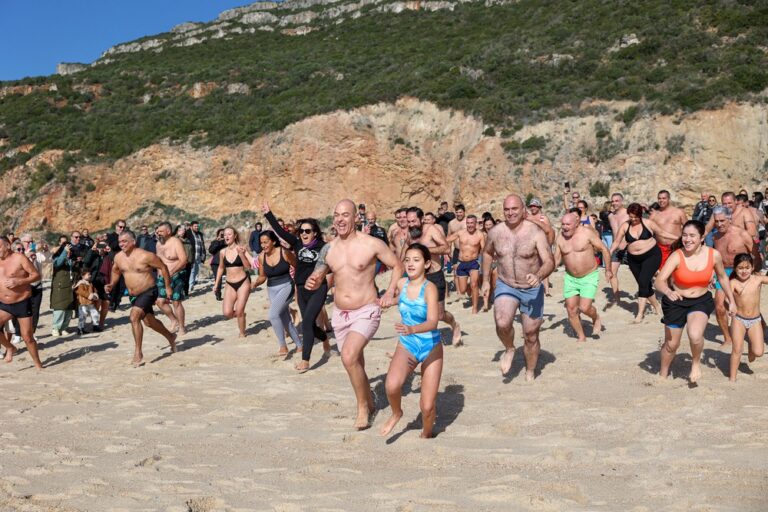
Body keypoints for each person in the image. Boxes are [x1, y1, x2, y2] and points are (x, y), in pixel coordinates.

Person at [305, 199, 403, 430]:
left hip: (367, 310)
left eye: (345, 215)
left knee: (348, 356)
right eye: (336, 215)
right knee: (355, 361)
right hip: (340, 314)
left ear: (355, 218)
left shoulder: (371, 244)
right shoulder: (328, 249)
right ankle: (369, 401)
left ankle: (362, 408)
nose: (340, 219)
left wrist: (389, 292)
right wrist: (314, 280)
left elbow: (397, 265)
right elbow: (319, 274)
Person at [481, 194, 555, 380]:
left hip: (531, 288)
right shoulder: (496, 232)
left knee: (530, 334)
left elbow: (549, 261)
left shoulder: (535, 232)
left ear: (523, 210)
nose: (510, 213)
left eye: (515, 209)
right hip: (506, 285)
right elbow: (487, 254)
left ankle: (530, 370)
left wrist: (538, 276)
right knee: (502, 321)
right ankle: (510, 347)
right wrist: (485, 280)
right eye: (507, 209)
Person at [654, 221, 735, 384]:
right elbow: (659, 281)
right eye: (684, 235)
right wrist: (669, 291)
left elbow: (722, 277)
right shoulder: (677, 255)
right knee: (671, 345)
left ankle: (696, 363)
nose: (687, 239)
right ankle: (663, 374)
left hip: (700, 301)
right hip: (675, 301)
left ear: (702, 237)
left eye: (692, 236)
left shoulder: (713, 255)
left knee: (695, 335)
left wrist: (731, 300)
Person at [380, 243, 443, 439]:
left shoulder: (430, 288)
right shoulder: (402, 283)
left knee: (427, 407)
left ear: (426, 264)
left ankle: (426, 434)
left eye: (416, 260)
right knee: (391, 385)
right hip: (407, 344)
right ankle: (397, 413)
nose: (410, 264)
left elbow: (433, 321)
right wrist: (388, 301)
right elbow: (402, 298)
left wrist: (411, 328)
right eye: (407, 260)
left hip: (430, 346)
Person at [263, 203, 331, 371]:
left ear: (314, 233)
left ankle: (305, 361)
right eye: (301, 231)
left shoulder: (323, 246)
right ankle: (324, 338)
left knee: (307, 322)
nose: (304, 234)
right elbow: (280, 232)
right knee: (310, 325)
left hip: (318, 289)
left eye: (308, 231)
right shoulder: (297, 244)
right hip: (301, 289)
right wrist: (268, 214)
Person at [106, 231, 177, 365]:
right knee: (150, 322)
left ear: (133, 242)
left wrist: (168, 287)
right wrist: (112, 284)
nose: (121, 244)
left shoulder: (146, 256)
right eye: (120, 241)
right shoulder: (118, 257)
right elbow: (116, 271)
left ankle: (138, 353)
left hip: (149, 291)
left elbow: (163, 267)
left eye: (124, 241)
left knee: (134, 317)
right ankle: (171, 336)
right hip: (134, 295)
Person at [610, 203, 677, 323]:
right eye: (631, 217)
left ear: (640, 215)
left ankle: (640, 314)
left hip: (652, 256)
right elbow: (617, 241)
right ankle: (656, 306)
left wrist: (678, 237)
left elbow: (661, 233)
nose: (633, 219)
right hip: (633, 259)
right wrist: (609, 251)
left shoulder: (648, 223)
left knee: (643, 281)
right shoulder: (625, 226)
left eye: (635, 217)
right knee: (644, 284)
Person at [406, 207, 462, 345]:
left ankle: (455, 325)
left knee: (440, 315)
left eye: (414, 221)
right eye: (409, 221)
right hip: (418, 279)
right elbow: (406, 252)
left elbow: (446, 248)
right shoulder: (410, 233)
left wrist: (424, 251)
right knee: (417, 311)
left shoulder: (431, 230)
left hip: (434, 276)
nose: (411, 224)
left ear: (421, 219)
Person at [554, 213, 612, 342]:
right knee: (571, 309)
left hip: (589, 276)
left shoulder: (586, 233)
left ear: (576, 223)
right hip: (570, 278)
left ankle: (595, 317)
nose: (564, 227)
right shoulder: (560, 238)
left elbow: (604, 249)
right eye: (562, 224)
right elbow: (556, 259)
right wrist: (542, 273)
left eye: (568, 224)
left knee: (584, 308)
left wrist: (608, 270)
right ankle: (581, 337)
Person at [252, 230, 302, 356]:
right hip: (271, 289)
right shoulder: (262, 256)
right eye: (261, 243)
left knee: (273, 314)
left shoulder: (284, 252)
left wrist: (300, 285)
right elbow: (263, 276)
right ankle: (299, 345)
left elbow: (299, 267)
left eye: (266, 242)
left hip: (286, 286)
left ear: (273, 241)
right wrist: (255, 283)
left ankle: (283, 346)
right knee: (285, 318)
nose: (263, 245)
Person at [711, 206, 753, 347]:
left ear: (729, 218)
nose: (719, 224)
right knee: (719, 306)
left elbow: (755, 255)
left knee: (747, 305)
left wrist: (755, 272)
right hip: (722, 273)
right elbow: (712, 257)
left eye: (722, 220)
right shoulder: (715, 237)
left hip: (740, 271)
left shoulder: (742, 234)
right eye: (716, 221)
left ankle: (758, 327)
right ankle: (727, 338)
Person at [0, 237, 43, 369]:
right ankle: (11, 347)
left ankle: (38, 364)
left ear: (8, 245)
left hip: (21, 302)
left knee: (27, 337)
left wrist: (18, 281)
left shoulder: (19, 258)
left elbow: (36, 275)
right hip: (4, 303)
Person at [727, 253, 766, 381]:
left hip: (755, 320)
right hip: (739, 319)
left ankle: (751, 347)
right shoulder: (733, 283)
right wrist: (730, 305)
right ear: (735, 268)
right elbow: (727, 299)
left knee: (758, 352)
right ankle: (732, 378)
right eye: (740, 268)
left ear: (752, 267)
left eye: (747, 268)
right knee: (737, 350)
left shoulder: (758, 279)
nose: (744, 271)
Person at [214, 227, 252, 338]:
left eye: (229, 234)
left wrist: (241, 255)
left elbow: (248, 267)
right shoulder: (222, 252)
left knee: (239, 310)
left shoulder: (241, 249)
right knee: (227, 313)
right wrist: (216, 284)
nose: (226, 236)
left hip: (243, 283)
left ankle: (242, 333)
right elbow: (221, 268)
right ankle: (241, 315)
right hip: (229, 284)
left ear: (234, 235)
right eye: (225, 234)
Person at [155, 222, 189, 336]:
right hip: (163, 277)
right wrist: (159, 275)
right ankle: (174, 320)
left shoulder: (175, 242)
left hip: (177, 275)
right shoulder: (158, 244)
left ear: (168, 231)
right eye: (158, 231)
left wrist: (172, 272)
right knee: (160, 302)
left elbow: (183, 260)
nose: (158, 233)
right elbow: (158, 262)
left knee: (176, 301)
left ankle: (182, 327)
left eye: (161, 231)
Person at [446, 214, 484, 313]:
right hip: (461, 263)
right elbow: (447, 239)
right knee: (462, 290)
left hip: (474, 262)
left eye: (472, 223)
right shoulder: (461, 233)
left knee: (474, 284)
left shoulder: (480, 235)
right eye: (468, 223)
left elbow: (484, 249)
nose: (470, 225)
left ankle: (475, 308)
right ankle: (469, 287)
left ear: (475, 224)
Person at [50, 235, 78, 337]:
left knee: (69, 309)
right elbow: (58, 263)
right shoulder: (56, 256)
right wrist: (64, 252)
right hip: (60, 286)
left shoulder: (71, 258)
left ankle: (64, 328)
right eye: (63, 244)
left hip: (70, 286)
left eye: (67, 244)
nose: (66, 246)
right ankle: (55, 328)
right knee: (60, 308)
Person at [653, 190, 688, 269]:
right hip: (660, 248)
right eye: (659, 198)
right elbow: (646, 229)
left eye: (664, 198)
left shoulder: (679, 212)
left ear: (669, 199)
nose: (661, 200)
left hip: (675, 247)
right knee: (662, 273)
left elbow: (688, 228)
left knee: (677, 271)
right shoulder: (655, 214)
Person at [73, 270, 100, 335]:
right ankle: (80, 329)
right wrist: (89, 295)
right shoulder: (80, 284)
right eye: (88, 275)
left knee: (95, 314)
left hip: (90, 302)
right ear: (83, 276)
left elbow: (94, 290)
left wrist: (95, 294)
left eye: (90, 274)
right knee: (83, 316)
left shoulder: (90, 283)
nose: (90, 276)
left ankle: (95, 326)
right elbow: (80, 292)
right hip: (83, 303)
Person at [208, 228, 226, 301]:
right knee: (218, 279)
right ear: (218, 234)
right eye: (220, 234)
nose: (222, 235)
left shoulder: (227, 242)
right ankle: (218, 295)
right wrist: (217, 242)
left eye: (223, 234)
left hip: (226, 263)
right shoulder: (215, 242)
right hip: (216, 263)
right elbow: (211, 251)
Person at [188, 221, 206, 292]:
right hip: (191, 256)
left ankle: (191, 284)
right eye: (195, 226)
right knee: (192, 271)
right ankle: (190, 286)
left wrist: (203, 254)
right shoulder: (188, 233)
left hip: (198, 256)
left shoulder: (200, 234)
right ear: (191, 227)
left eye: (197, 226)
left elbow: (202, 245)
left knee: (196, 271)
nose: (197, 227)